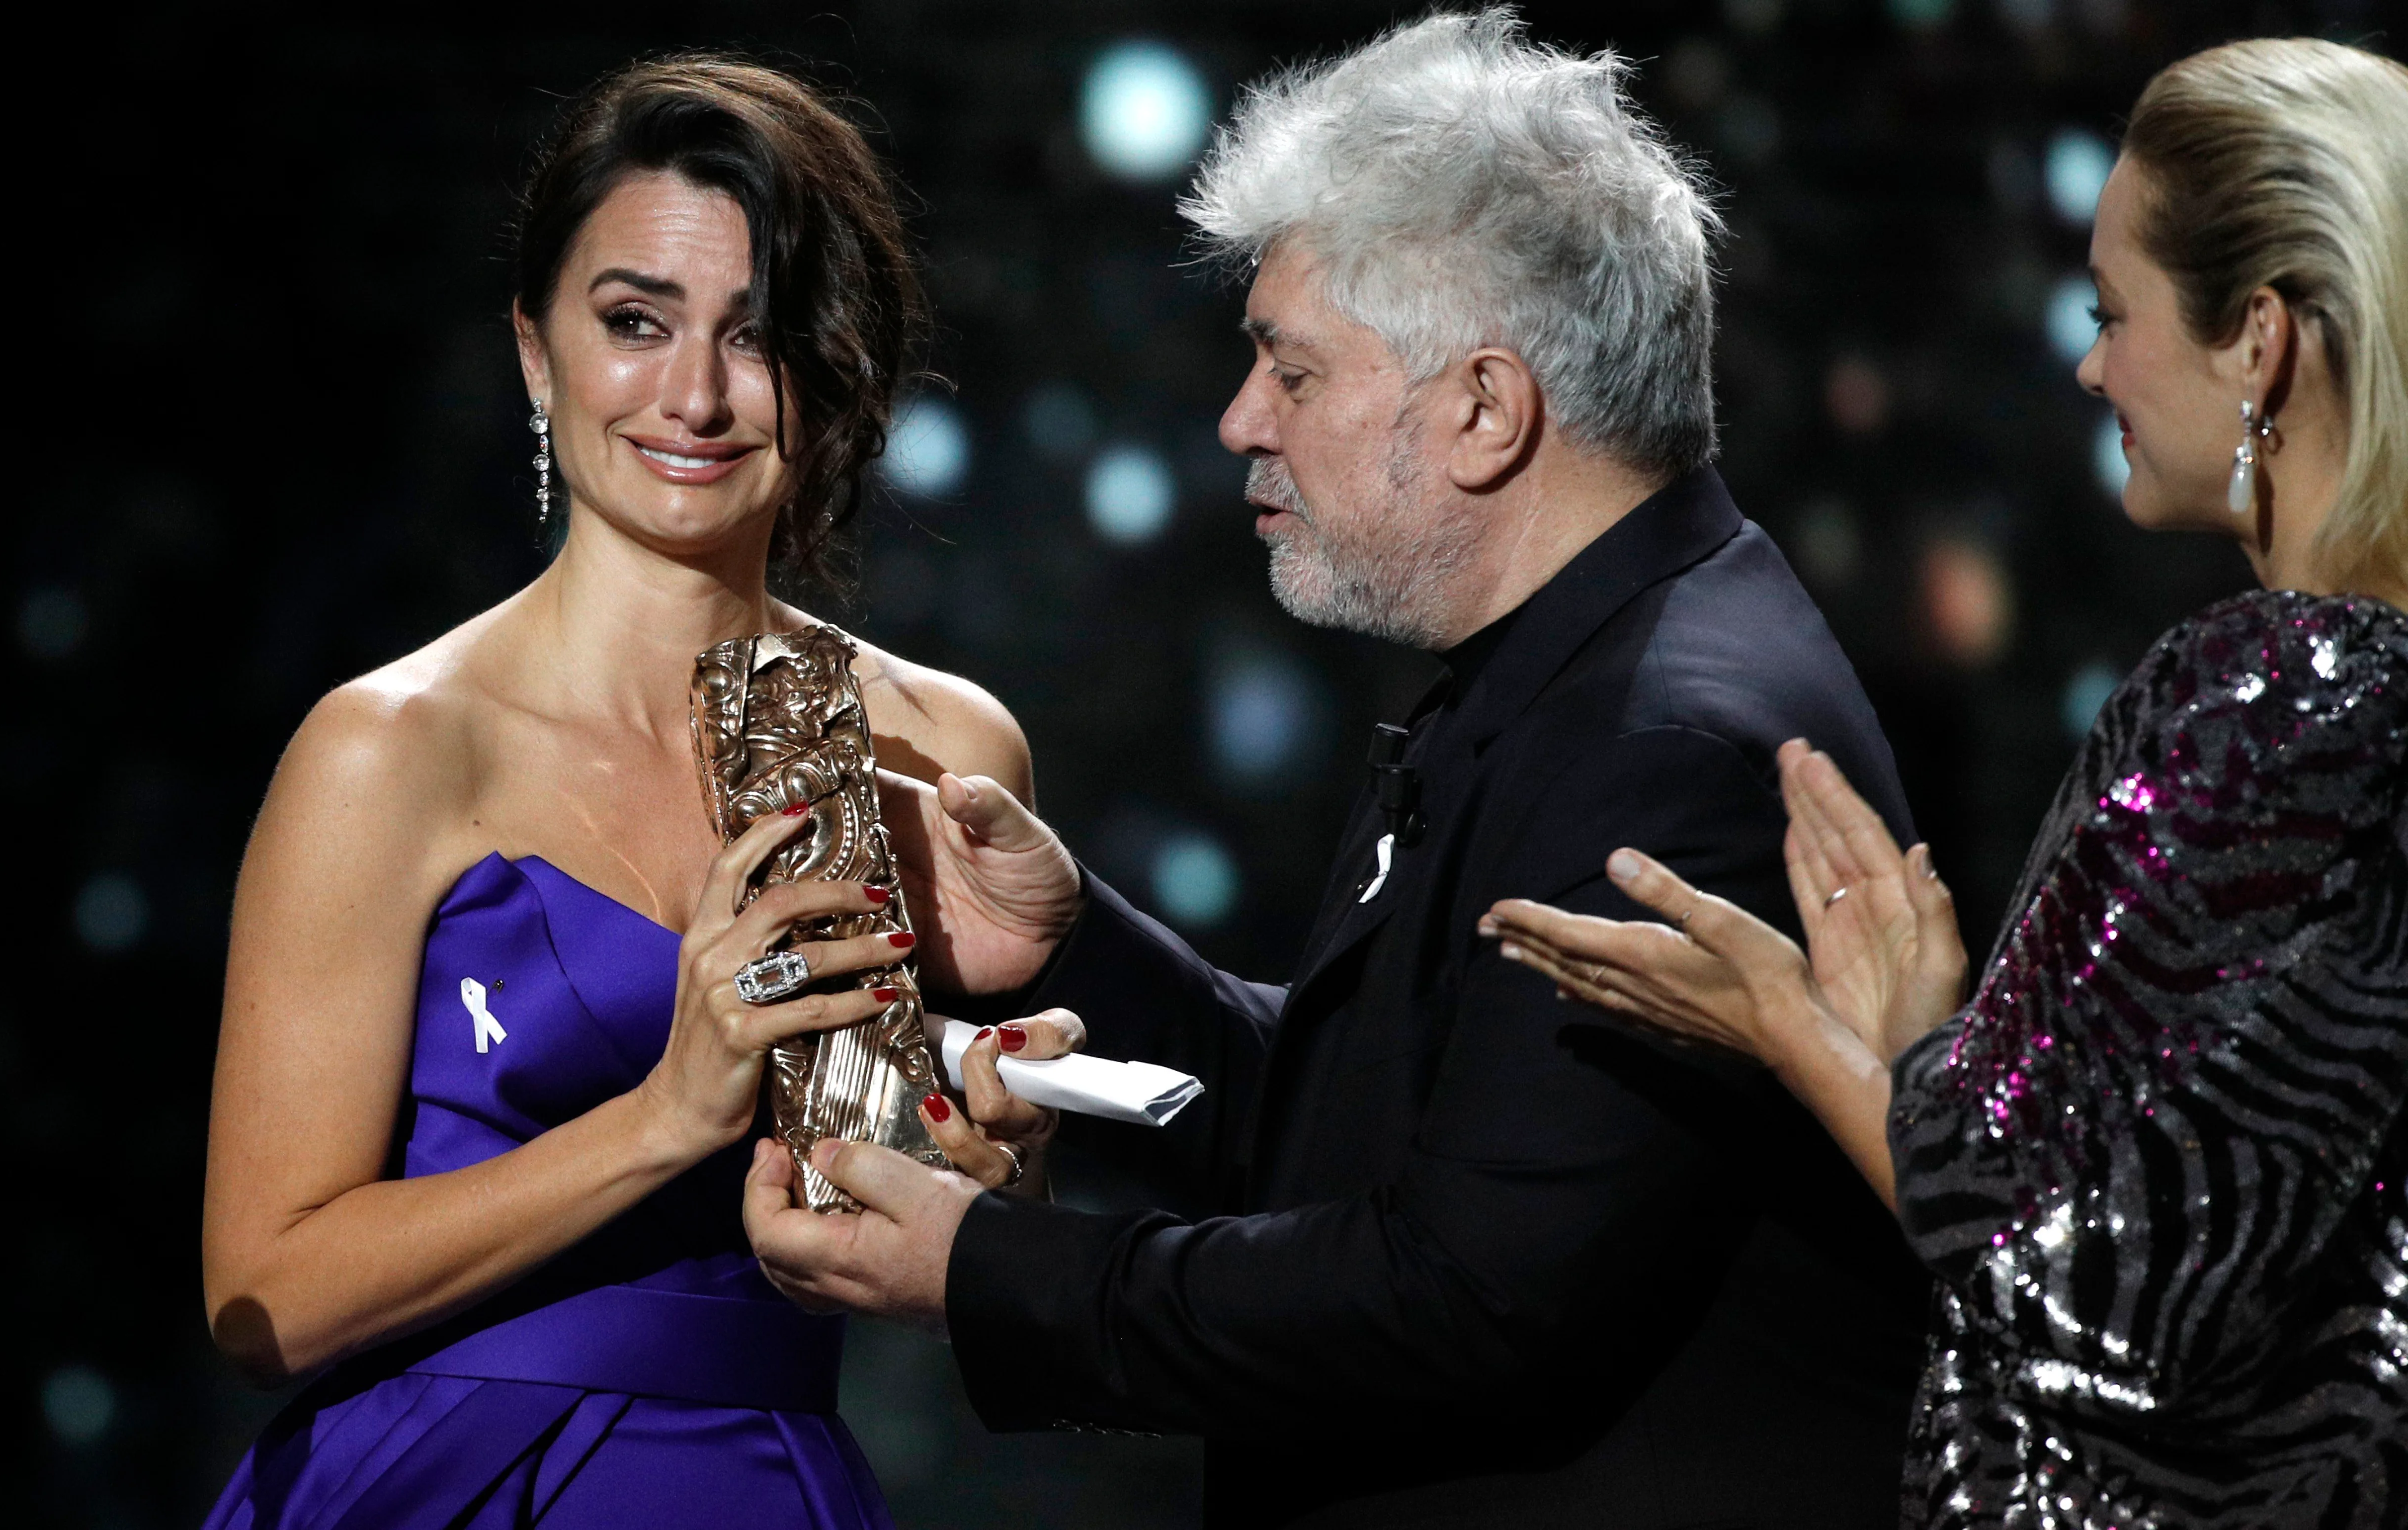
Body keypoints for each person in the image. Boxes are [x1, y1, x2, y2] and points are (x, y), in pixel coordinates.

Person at [745, 12, 1932, 1526]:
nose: (1243, 420)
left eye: (1291, 372)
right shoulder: (1582, 667)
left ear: (1484, 411)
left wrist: (983, 1268)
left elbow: (1462, 1299)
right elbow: (1390, 1135)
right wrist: (1072, 944)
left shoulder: (1665, 745)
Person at [1481, 37, 2408, 1528]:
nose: (2093, 361)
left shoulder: (2276, 692)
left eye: (2115, 312)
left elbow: (2082, 1274)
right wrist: (1930, 1046)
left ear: (2260, 338)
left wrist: (1788, 1024)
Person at [196, 58, 1056, 1530]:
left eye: (759, 335)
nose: (698, 396)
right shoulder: (393, 746)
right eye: (635, 323)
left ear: (830, 368)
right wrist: (666, 1114)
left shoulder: (933, 742)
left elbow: (886, 1234)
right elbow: (263, 1294)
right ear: (538, 355)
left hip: (759, 1481)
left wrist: (996, 1154)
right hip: (436, 1488)